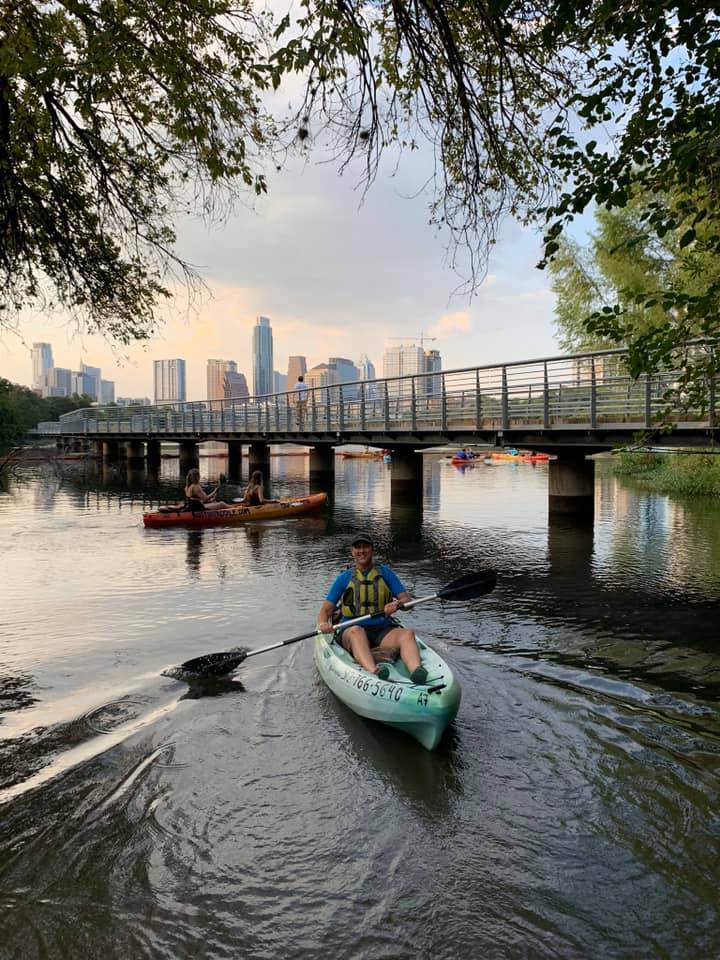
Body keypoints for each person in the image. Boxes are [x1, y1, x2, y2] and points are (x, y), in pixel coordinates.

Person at [316, 533, 428, 684]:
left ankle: (416, 671)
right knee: (357, 631)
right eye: (358, 547)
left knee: (407, 634)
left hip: (382, 629)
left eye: (365, 547)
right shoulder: (344, 578)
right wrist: (323, 624)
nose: (362, 551)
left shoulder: (385, 573)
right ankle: (374, 671)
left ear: (372, 550)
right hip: (351, 630)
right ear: (352, 552)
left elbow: (407, 601)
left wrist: (396, 604)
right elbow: (326, 610)